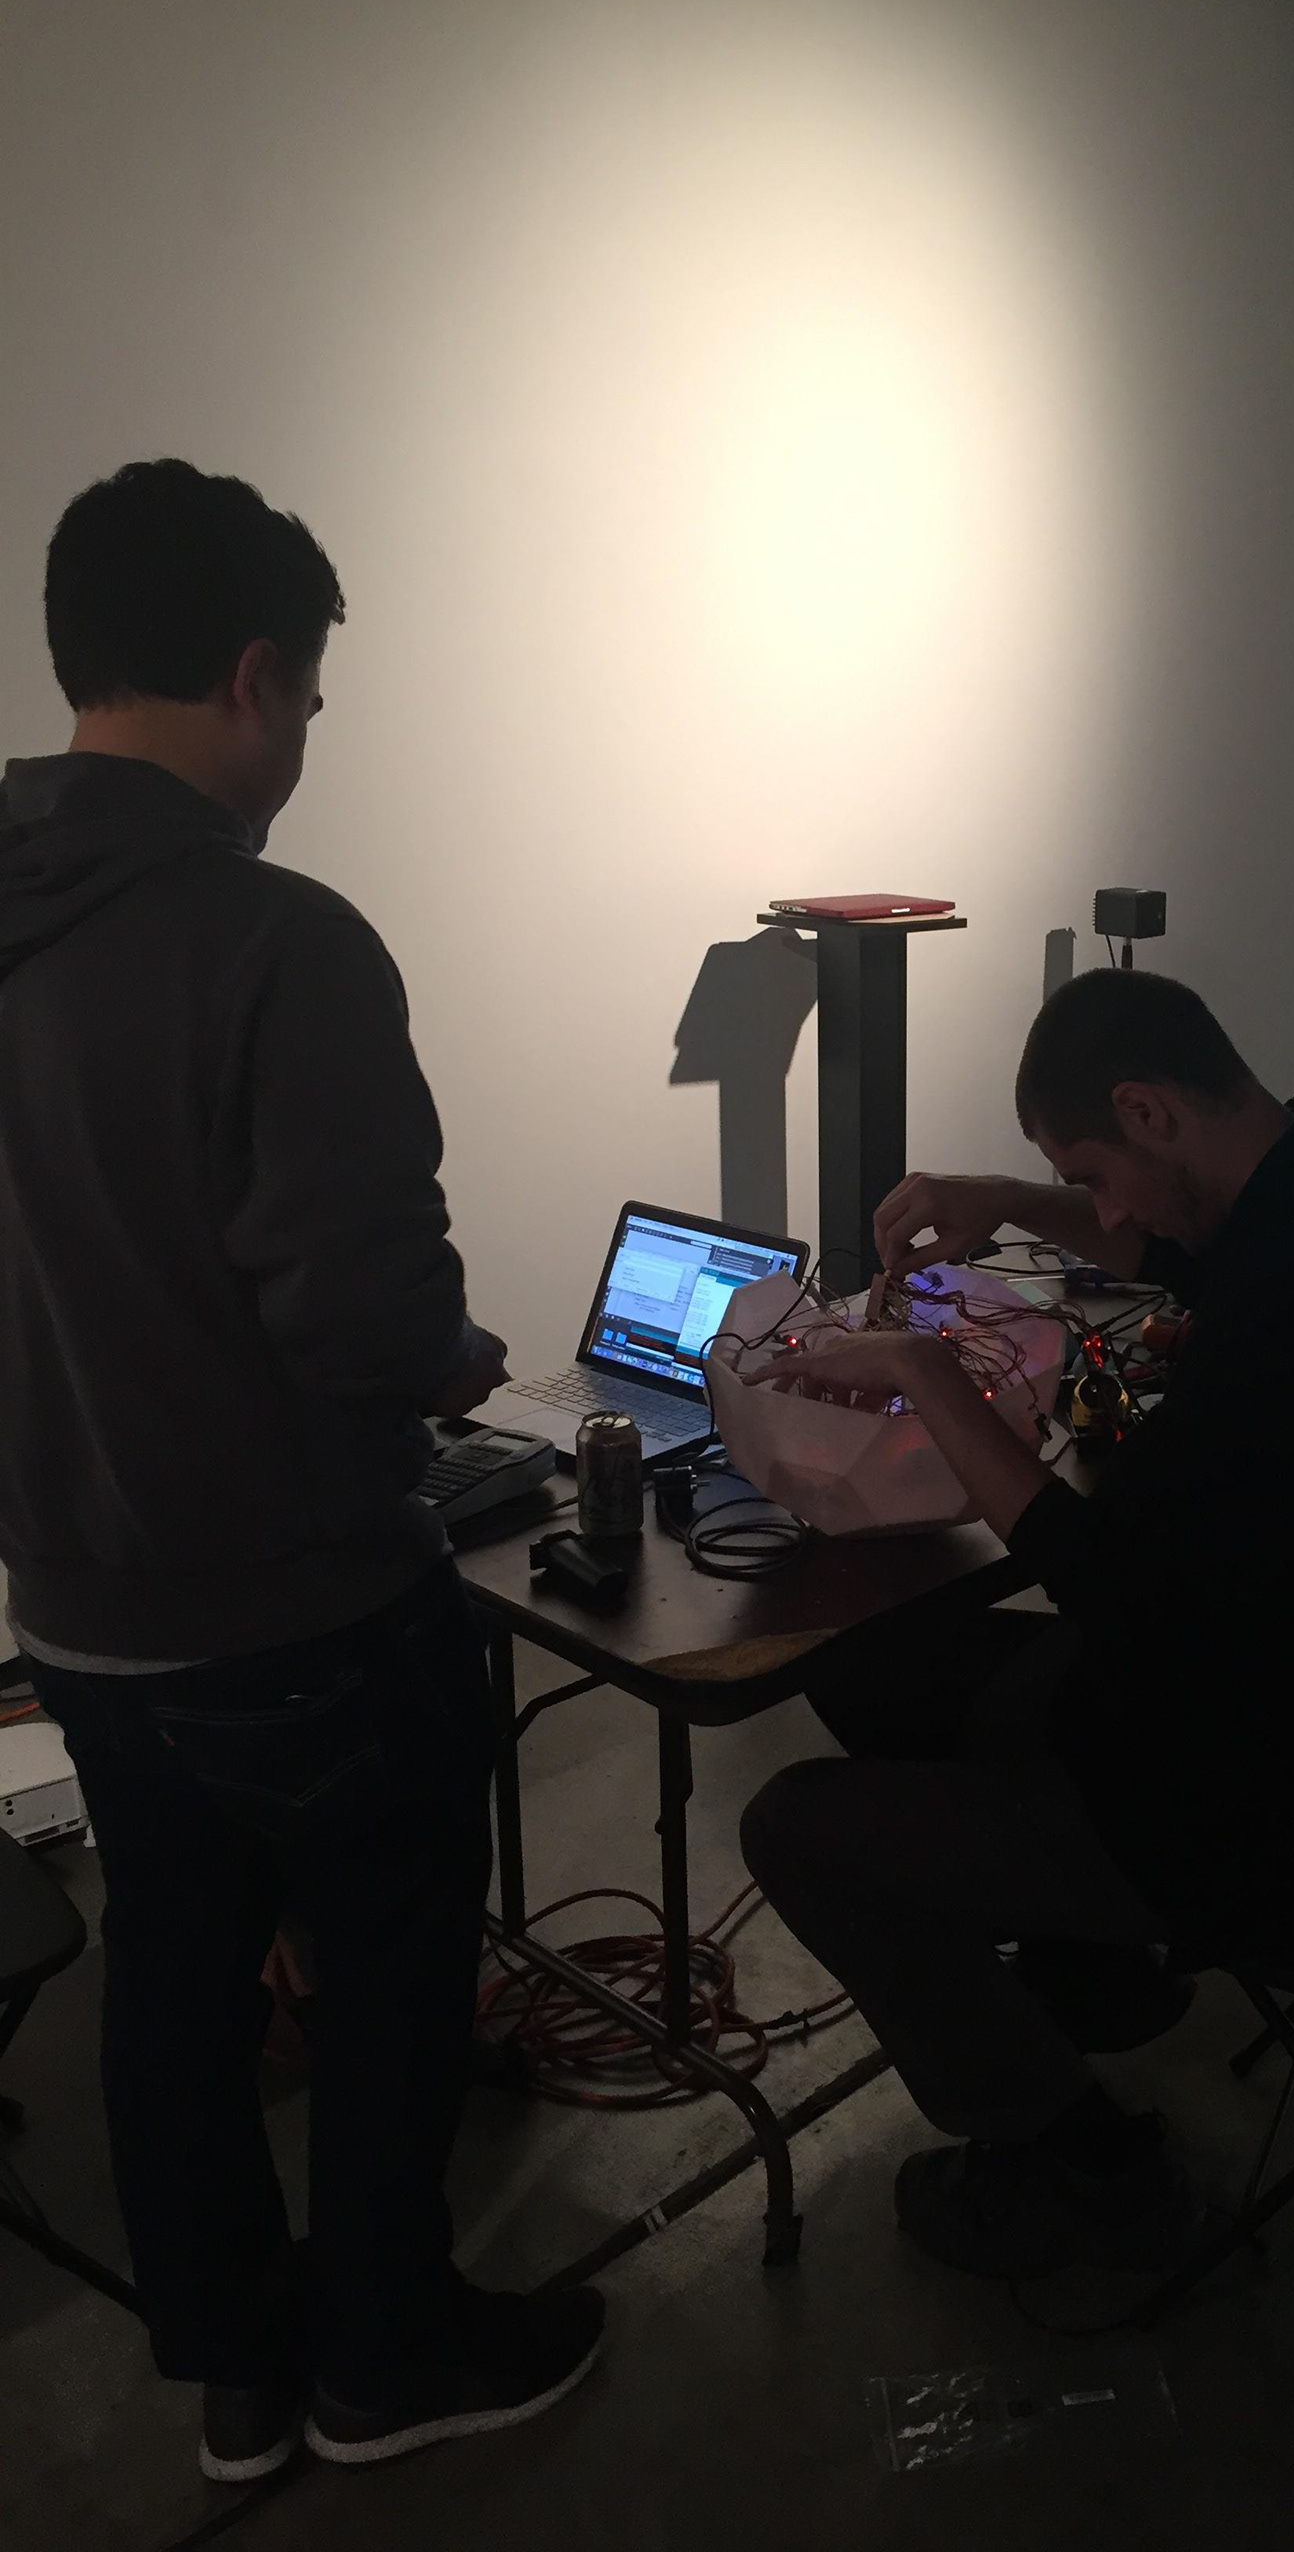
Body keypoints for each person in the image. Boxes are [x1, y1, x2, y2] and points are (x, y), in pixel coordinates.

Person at [0, 461, 602, 2480]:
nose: (307, 745)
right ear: (256, 675)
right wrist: (456, 1360)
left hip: (76, 1612)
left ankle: (239, 2379)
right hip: (303, 1603)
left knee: (172, 1976)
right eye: (316, 703)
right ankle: (384, 2357)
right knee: (393, 1969)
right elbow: (354, 1310)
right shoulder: (277, 940)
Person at [740, 968, 1294, 2280]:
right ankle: (1097, 1974)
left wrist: (924, 1375)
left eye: (1094, 1173)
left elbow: (1110, 1585)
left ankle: (1075, 2161)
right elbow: (1178, 1243)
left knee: (797, 1827)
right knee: (878, 1666)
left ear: (1147, 1109)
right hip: (1250, 1693)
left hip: (1249, 1811)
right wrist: (1011, 1199)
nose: (1105, 1210)